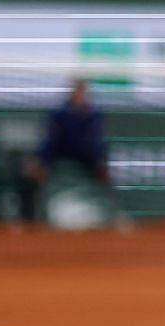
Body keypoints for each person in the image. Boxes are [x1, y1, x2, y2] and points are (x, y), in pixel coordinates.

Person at [15, 78, 129, 228]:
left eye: (83, 92)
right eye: (77, 91)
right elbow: (50, 142)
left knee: (107, 176)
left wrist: (101, 164)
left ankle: (114, 217)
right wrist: (41, 162)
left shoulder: (95, 115)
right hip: (59, 156)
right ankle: (31, 220)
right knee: (32, 176)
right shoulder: (59, 114)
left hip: (87, 159)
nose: (80, 95)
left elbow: (97, 143)